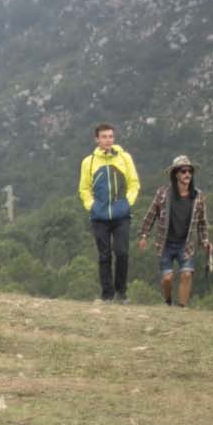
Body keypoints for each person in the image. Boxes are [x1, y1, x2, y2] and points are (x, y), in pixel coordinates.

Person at [136, 155, 213, 307]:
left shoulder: (198, 197)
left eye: (189, 171)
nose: (187, 174)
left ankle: (181, 307)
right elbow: (150, 215)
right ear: (175, 174)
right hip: (166, 243)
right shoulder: (163, 193)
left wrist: (205, 241)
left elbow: (202, 223)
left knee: (186, 274)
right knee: (167, 278)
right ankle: (168, 302)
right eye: (183, 171)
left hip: (186, 244)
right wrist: (144, 235)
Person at [77, 122, 140, 302]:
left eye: (111, 136)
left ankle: (121, 293)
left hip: (122, 215)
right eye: (104, 137)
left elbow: (134, 183)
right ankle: (107, 295)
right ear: (97, 139)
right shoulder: (88, 162)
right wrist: (92, 206)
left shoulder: (124, 157)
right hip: (99, 216)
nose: (108, 140)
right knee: (104, 256)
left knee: (122, 253)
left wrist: (128, 202)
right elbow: (84, 188)